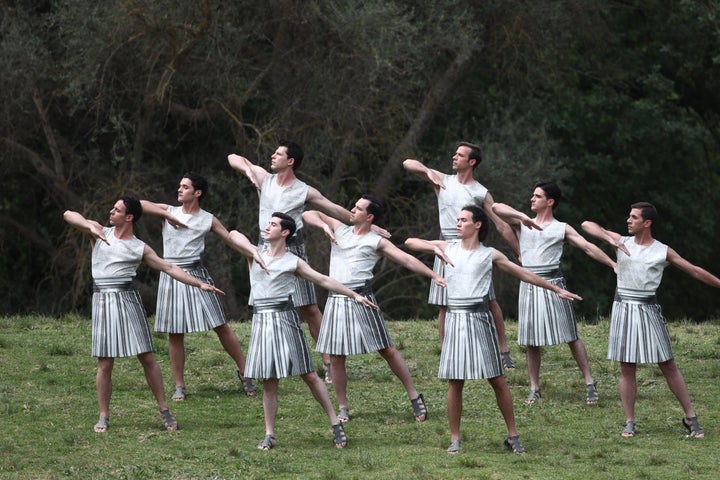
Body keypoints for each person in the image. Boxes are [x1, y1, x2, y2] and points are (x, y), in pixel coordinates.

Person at [405, 205, 582, 454]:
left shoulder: (490, 255)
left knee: (498, 380)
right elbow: (409, 242)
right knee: (455, 382)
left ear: (477, 225)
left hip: (480, 320)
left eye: (463, 220)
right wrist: (434, 246)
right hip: (455, 320)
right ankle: (455, 438)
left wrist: (555, 289)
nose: (458, 223)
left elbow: (523, 273)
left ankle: (513, 435)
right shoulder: (448, 247)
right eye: (457, 220)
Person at [229, 140, 389, 383]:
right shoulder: (264, 178)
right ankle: (268, 363)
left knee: (309, 308)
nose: (272, 156)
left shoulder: (304, 190)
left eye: (278, 154)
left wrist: (367, 224)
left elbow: (334, 208)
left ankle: (327, 361)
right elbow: (233, 156)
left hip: (293, 251)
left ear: (290, 161)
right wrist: (249, 170)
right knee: (266, 307)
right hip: (265, 251)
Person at [63, 196, 224, 433]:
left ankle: (165, 411)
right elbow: (68, 214)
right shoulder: (99, 231)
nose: (111, 212)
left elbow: (169, 267)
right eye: (113, 208)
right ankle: (103, 416)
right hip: (103, 302)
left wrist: (199, 284)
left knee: (147, 358)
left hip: (128, 301)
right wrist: (89, 227)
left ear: (129, 217)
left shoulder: (140, 247)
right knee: (105, 363)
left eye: (117, 210)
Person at [232, 212, 377, 450]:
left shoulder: (292, 261)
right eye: (268, 223)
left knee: (309, 375)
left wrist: (354, 294)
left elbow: (323, 280)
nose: (267, 227)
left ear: (286, 232)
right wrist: (253, 251)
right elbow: (233, 234)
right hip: (261, 321)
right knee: (270, 381)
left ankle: (335, 423)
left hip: (286, 319)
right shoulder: (254, 252)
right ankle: (269, 433)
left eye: (273, 224)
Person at [302, 194, 446, 424]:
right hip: (337, 298)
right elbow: (309, 213)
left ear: (369, 217)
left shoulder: (376, 241)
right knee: (337, 357)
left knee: (387, 350)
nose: (352, 210)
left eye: (358, 209)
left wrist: (433, 274)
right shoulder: (339, 229)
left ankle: (414, 396)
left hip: (363, 297)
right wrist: (323, 225)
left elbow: (406, 259)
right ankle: (343, 407)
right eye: (354, 205)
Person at [582, 202, 717, 438]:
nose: (628, 220)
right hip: (623, 308)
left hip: (648, 309)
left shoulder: (662, 251)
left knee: (668, 364)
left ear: (647, 223)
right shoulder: (622, 241)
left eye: (634, 217)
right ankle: (629, 421)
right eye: (629, 216)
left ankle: (691, 417)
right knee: (627, 367)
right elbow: (586, 225)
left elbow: (694, 270)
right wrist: (610, 239)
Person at [140, 172, 267, 401]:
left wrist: (254, 253)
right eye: (179, 186)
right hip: (171, 274)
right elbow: (138, 204)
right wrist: (166, 214)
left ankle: (245, 372)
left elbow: (230, 239)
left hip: (197, 273)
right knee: (175, 332)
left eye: (185, 187)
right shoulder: (169, 211)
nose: (179, 189)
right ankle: (179, 385)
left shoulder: (208, 219)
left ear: (197, 193)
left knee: (220, 325)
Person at [493, 181, 616, 405]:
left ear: (550, 202)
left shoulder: (562, 228)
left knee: (571, 335)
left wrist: (612, 264)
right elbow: (496, 208)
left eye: (537, 196)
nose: (532, 199)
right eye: (533, 195)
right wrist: (523, 217)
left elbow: (587, 247)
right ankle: (534, 387)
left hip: (554, 283)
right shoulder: (522, 222)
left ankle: (589, 382)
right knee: (531, 340)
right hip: (529, 283)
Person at [403, 142, 518, 369]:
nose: (454, 157)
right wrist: (427, 172)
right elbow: (407, 163)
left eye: (460, 155)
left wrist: (519, 253)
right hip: (445, 247)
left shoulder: (480, 192)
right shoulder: (442, 180)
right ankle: (448, 351)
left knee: (490, 301)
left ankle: (503, 351)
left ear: (472, 162)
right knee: (445, 305)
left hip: (472, 249)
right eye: (454, 153)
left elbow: (501, 225)